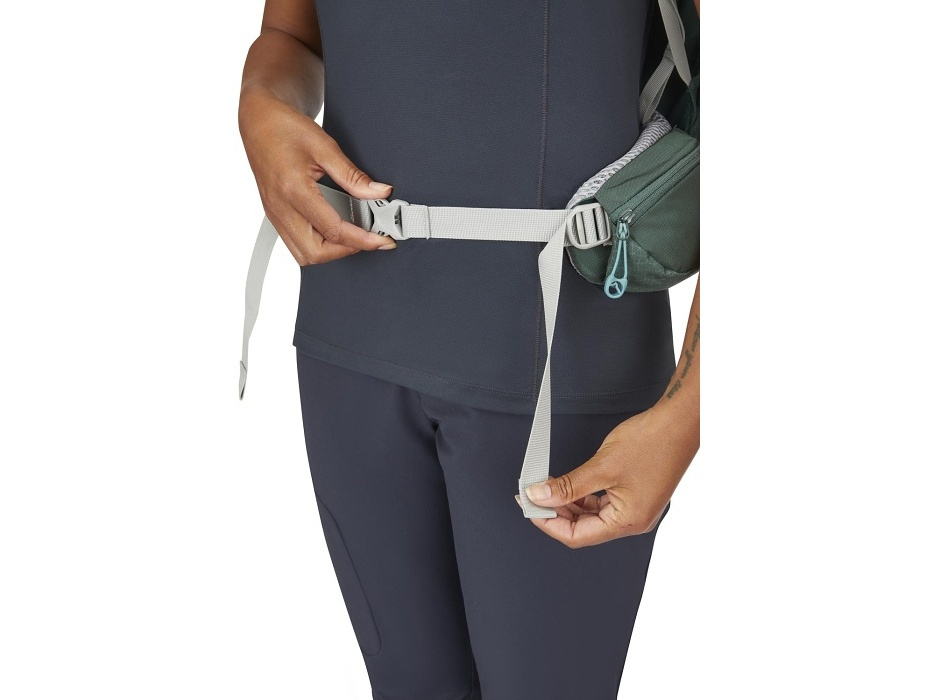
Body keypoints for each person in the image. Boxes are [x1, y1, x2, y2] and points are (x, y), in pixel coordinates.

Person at [238, 0, 700, 697]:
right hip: (349, 351)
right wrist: (261, 104)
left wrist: (690, 410)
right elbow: (291, 34)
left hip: (558, 371)